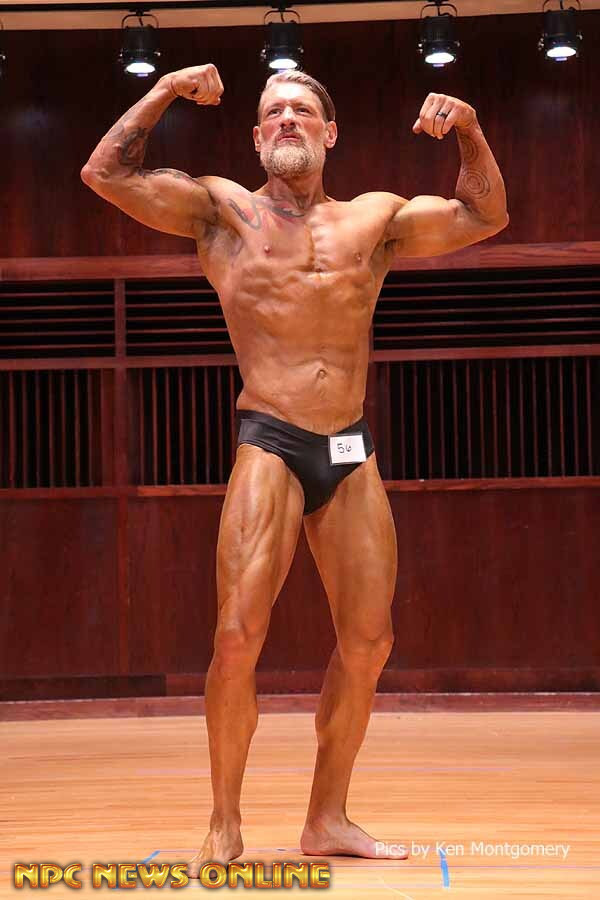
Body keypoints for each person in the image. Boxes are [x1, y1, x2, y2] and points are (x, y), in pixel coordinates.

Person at [81, 64, 508, 873]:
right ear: (254, 137)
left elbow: (486, 214)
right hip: (271, 439)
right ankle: (223, 820)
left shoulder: (374, 219)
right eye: (273, 111)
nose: (286, 119)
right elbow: (105, 174)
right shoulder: (223, 212)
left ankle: (327, 817)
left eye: (302, 110)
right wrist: (165, 90)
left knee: (370, 641)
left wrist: (469, 127)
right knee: (237, 633)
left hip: (347, 446)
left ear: (329, 132)